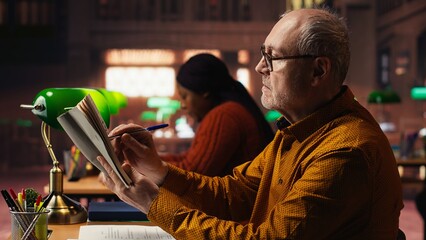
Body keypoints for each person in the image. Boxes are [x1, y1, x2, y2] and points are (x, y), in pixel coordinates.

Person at [98, 7, 404, 239]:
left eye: (272, 58)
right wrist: (157, 170)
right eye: (262, 55)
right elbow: (234, 194)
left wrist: (153, 202)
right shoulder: (297, 130)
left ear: (318, 72)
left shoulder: (346, 151)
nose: (259, 67)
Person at [160, 53, 274, 176]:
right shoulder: (231, 109)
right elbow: (188, 159)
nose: (182, 105)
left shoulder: (224, 115)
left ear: (204, 91)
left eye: (184, 96)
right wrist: (147, 157)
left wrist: (147, 163)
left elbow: (192, 174)